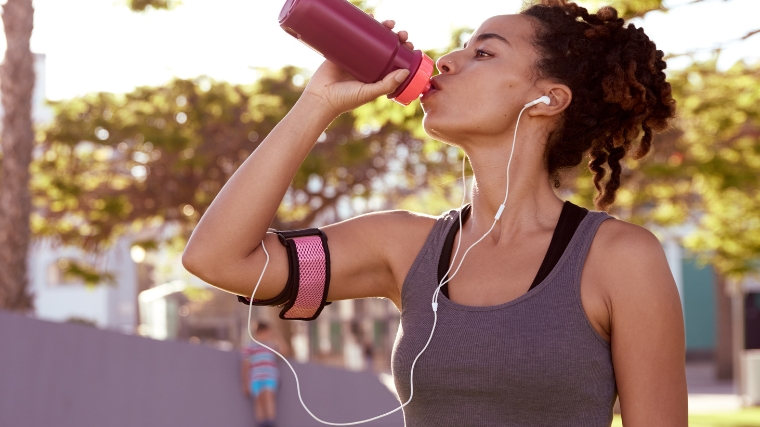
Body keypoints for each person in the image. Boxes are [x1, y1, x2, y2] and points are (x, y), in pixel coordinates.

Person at [185, 1, 687, 425]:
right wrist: (317, 102)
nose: (446, 60)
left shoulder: (620, 258)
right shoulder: (404, 248)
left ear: (548, 99)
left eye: (484, 52)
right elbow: (219, 259)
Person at [241, 322, 288, 427]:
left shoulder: (271, 345)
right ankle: (261, 423)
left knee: (268, 397)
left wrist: (277, 336)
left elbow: (285, 351)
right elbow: (245, 365)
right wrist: (245, 384)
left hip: (269, 376)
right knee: (258, 401)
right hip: (256, 377)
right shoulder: (250, 346)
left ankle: (270, 422)